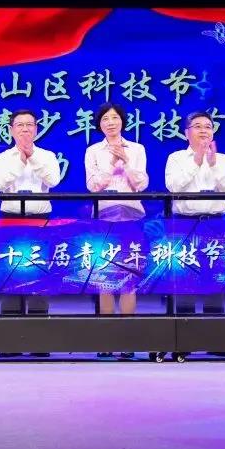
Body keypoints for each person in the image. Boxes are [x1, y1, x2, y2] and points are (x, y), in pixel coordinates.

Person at [0, 108, 62, 356]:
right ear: (11, 130)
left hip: (39, 220)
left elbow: (53, 180)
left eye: (29, 125)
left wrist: (32, 157)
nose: (24, 129)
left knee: (39, 277)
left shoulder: (47, 156)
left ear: (36, 129)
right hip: (11, 219)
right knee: (11, 276)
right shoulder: (3, 157)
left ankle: (39, 342)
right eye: (19, 125)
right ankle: (10, 342)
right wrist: (20, 161)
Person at [85, 103, 148, 359]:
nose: (110, 123)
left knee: (129, 278)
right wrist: (112, 163)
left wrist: (126, 161)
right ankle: (106, 338)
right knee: (105, 278)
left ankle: (127, 339)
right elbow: (93, 186)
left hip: (132, 216)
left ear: (122, 121)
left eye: (115, 118)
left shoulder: (137, 149)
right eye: (105, 119)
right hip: (104, 217)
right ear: (99, 124)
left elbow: (141, 184)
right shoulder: (93, 151)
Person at [165, 112, 225, 323]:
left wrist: (213, 165)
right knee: (184, 276)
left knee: (215, 276)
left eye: (208, 126)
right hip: (184, 223)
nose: (204, 130)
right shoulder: (176, 158)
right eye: (197, 126)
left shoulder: (222, 159)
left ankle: (214, 329)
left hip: (215, 223)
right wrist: (197, 160)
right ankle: (184, 329)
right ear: (186, 133)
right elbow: (173, 187)